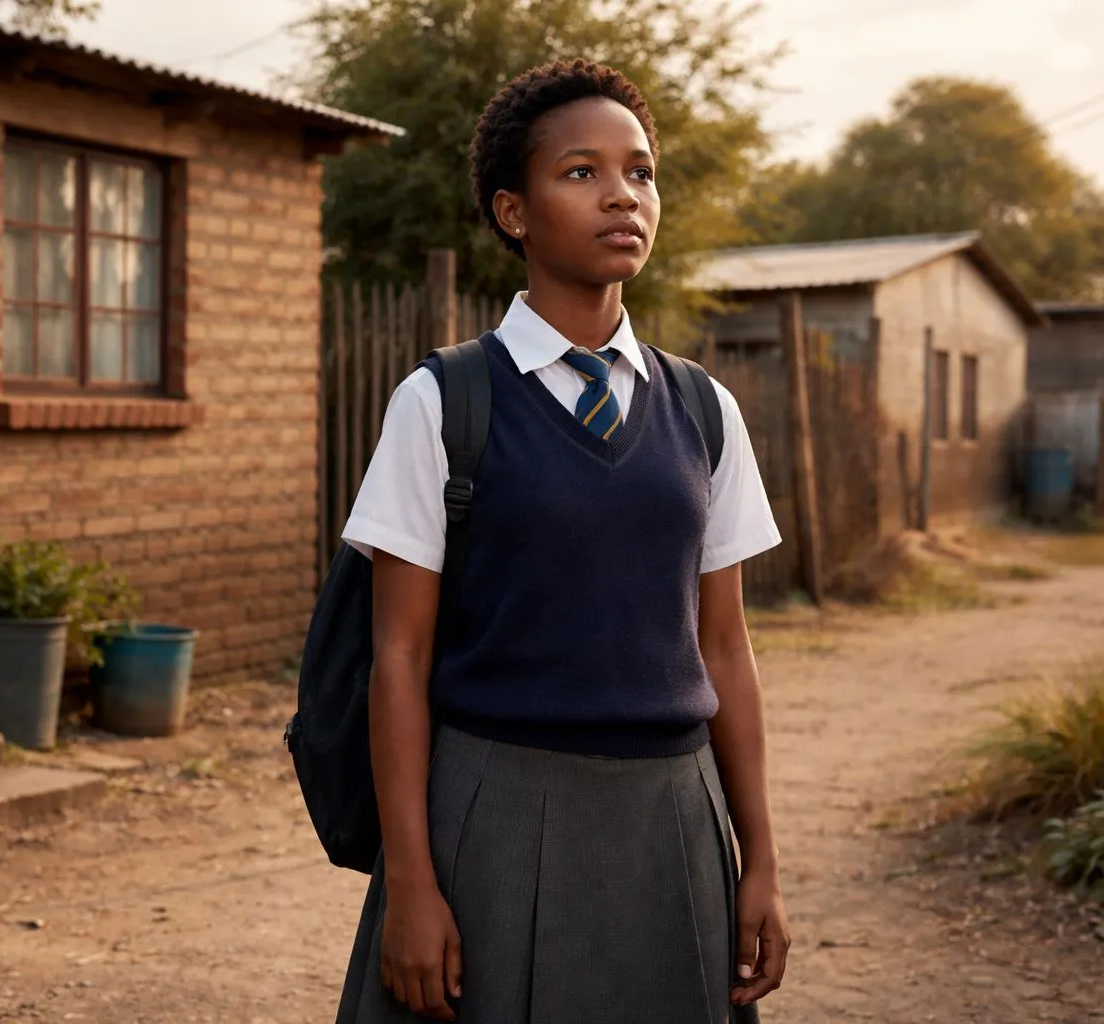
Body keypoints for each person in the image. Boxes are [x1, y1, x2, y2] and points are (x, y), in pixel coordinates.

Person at [332, 59, 791, 1023]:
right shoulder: (445, 403)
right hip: (493, 819)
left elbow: (726, 650)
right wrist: (411, 884)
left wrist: (760, 863)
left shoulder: (704, 411)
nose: (622, 194)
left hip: (674, 819)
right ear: (513, 211)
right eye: (580, 172)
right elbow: (399, 658)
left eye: (641, 170)